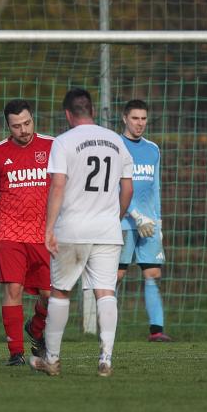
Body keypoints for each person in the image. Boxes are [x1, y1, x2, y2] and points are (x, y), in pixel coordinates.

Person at [32, 88, 133, 378]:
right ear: (92, 110)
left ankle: (52, 359)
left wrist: (49, 227)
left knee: (61, 291)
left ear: (68, 114)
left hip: (73, 229)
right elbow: (128, 189)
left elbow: (58, 186)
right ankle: (106, 359)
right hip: (107, 229)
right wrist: (115, 217)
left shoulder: (63, 142)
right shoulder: (116, 141)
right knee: (106, 292)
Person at [0, 100, 54, 366]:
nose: (24, 130)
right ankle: (15, 352)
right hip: (9, 231)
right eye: (17, 126)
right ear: (8, 126)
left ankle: (36, 329)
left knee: (50, 295)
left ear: (33, 119)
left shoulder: (53, 147)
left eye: (27, 123)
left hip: (44, 233)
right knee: (13, 288)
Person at [117, 100, 171, 342]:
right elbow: (116, 188)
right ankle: (107, 329)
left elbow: (155, 187)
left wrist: (158, 222)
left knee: (152, 274)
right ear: (124, 118)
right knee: (116, 276)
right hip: (125, 223)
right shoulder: (116, 147)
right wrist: (136, 216)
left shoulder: (153, 149)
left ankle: (156, 331)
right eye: (135, 118)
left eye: (143, 119)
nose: (140, 123)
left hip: (149, 225)